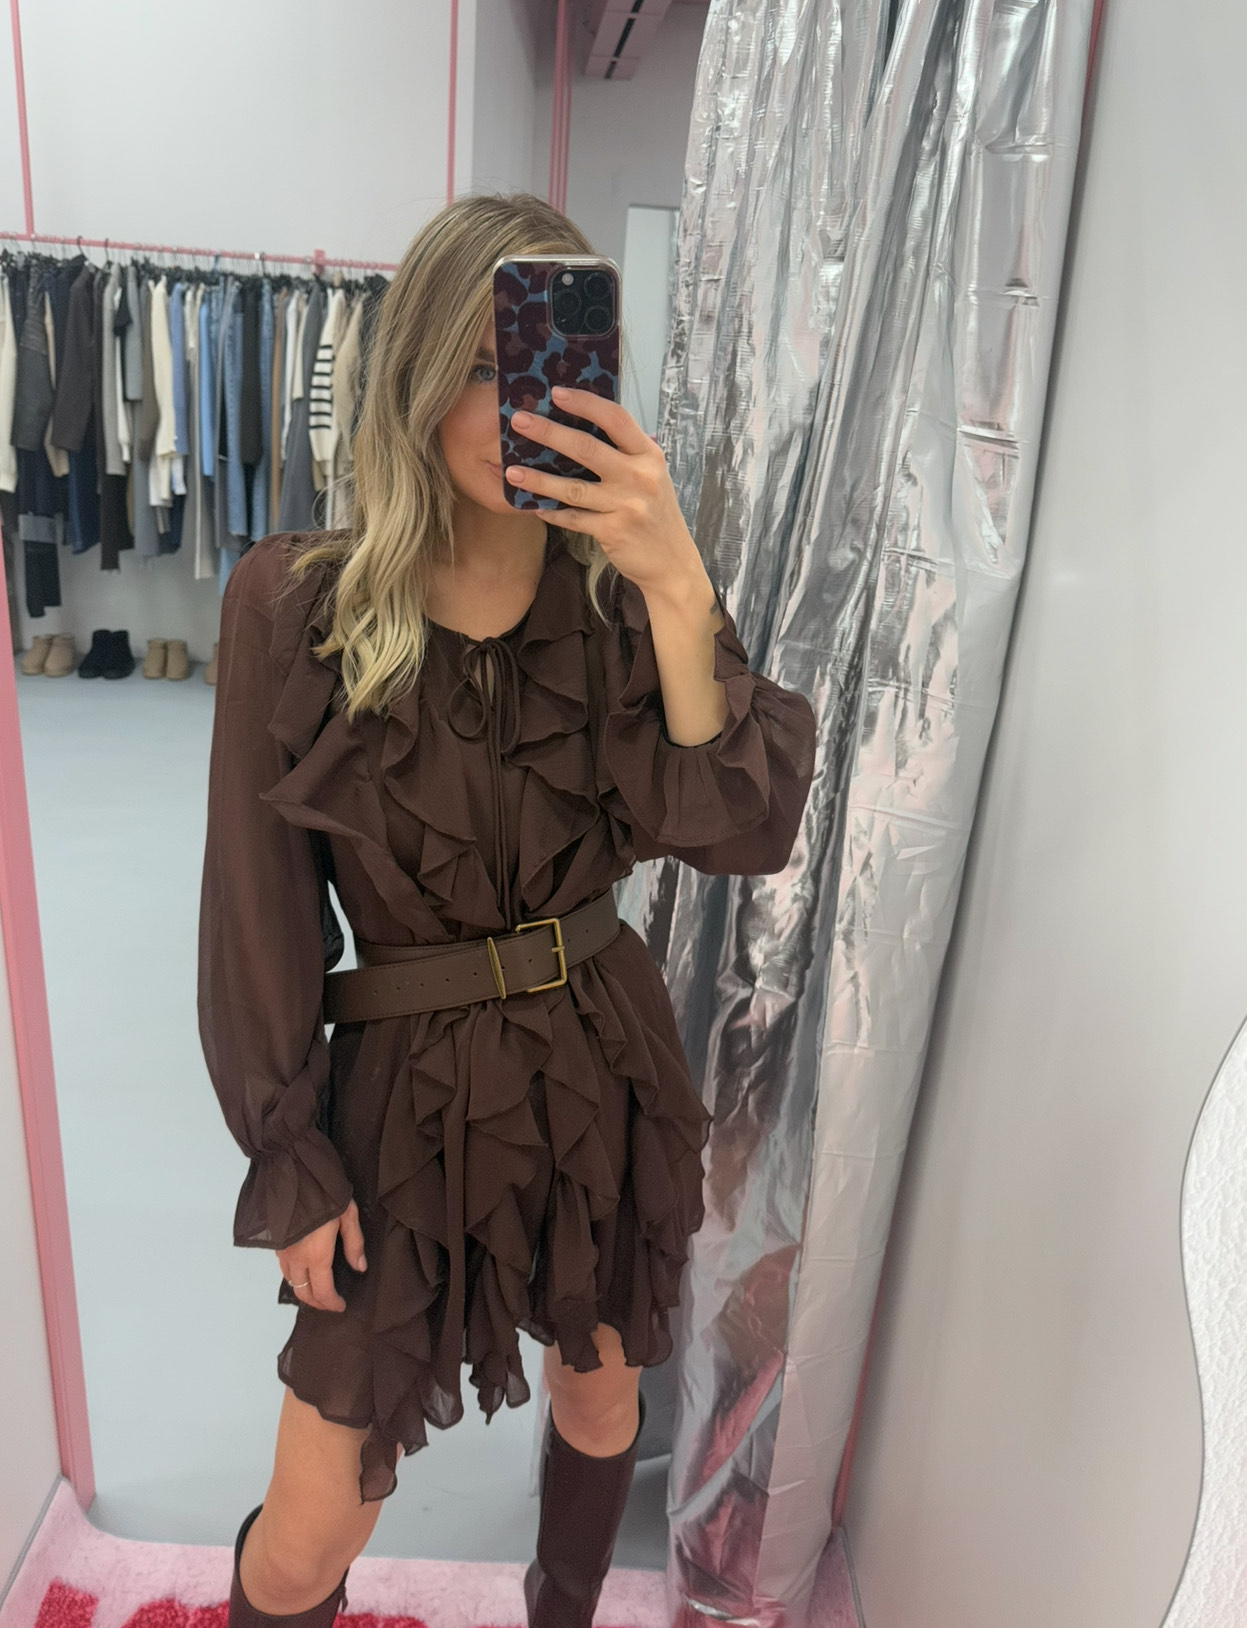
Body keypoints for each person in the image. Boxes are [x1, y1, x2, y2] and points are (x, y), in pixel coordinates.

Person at [197, 192, 817, 1628]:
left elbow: (743, 826)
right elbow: (255, 909)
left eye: (541, 359)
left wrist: (678, 582)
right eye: (475, 364)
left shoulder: (622, 601)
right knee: (303, 1541)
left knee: (601, 1402)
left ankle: (564, 1612)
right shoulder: (295, 605)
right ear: (416, 370)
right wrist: (288, 1149)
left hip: (598, 1058)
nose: (510, 405)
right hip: (400, 1093)